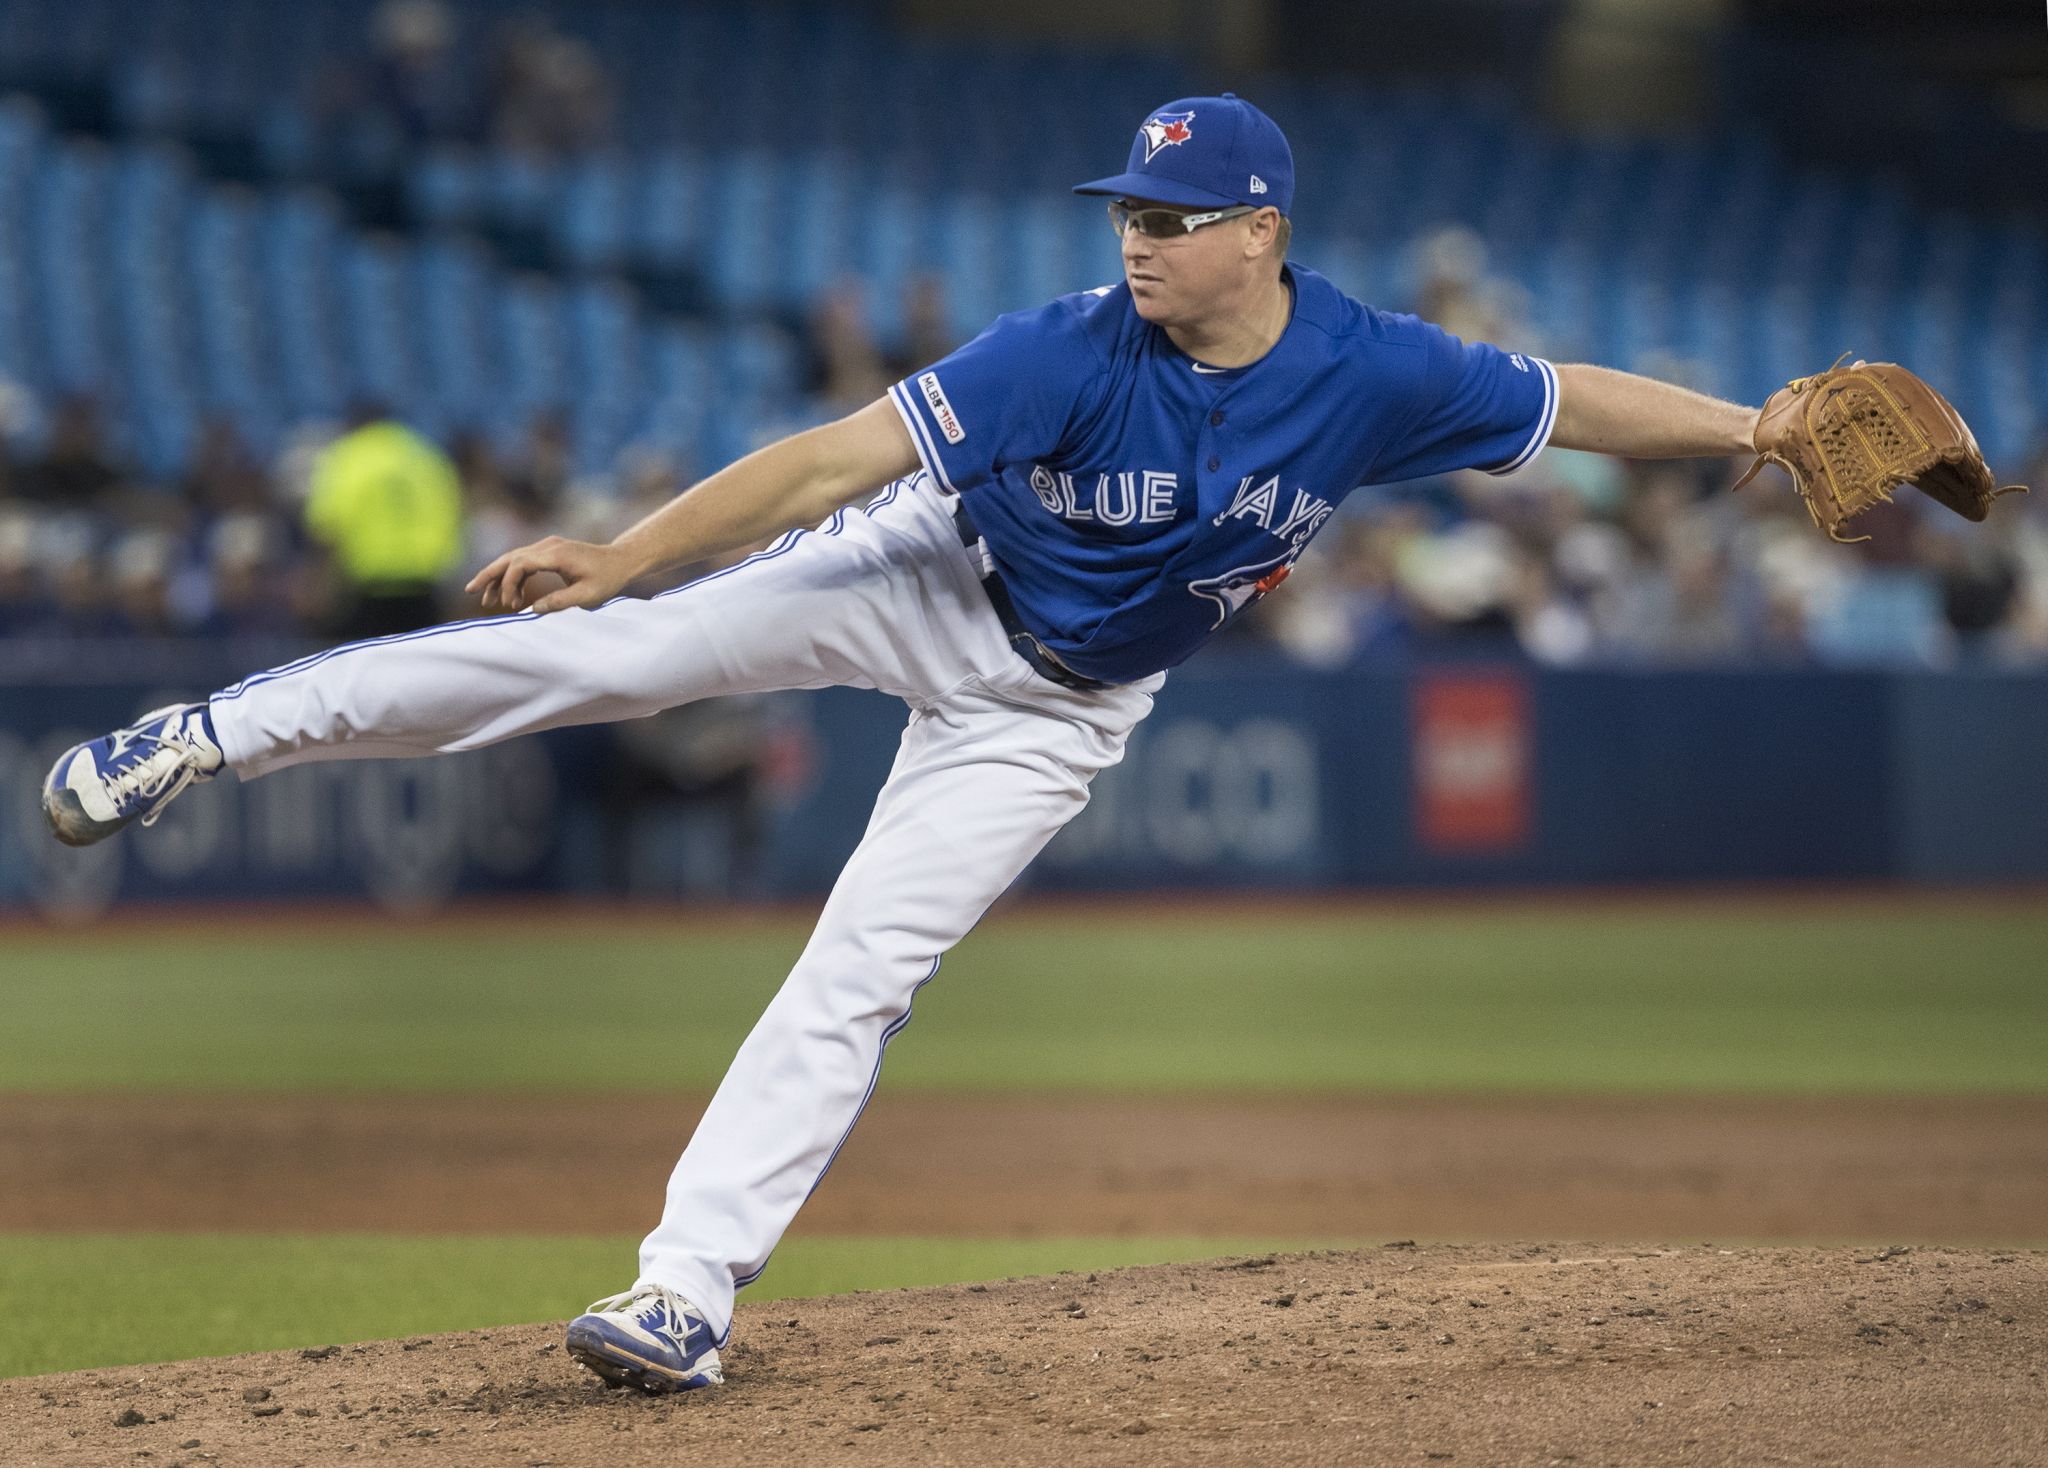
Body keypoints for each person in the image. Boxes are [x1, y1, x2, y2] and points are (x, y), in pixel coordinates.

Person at [42, 95, 1764, 1393]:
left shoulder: (1374, 373)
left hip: (1062, 712)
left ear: (1261, 228)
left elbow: (1573, 401)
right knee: (599, 659)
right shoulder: (1066, 351)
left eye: (1172, 216)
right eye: (1126, 212)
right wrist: (633, 554)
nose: (1137, 239)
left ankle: (685, 1294)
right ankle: (206, 735)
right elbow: (823, 464)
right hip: (919, 578)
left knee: (862, 965)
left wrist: (1758, 426)